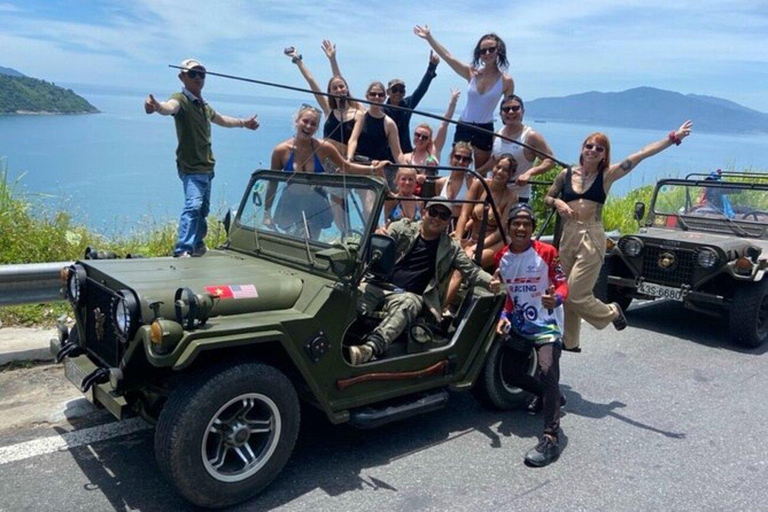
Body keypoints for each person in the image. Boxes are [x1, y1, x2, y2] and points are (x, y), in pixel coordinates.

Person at [544, 120, 694, 351]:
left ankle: (611, 311)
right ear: (582, 148)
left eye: (599, 148)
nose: (593, 150)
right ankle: (570, 340)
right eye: (589, 146)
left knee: (575, 294)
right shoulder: (565, 175)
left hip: (590, 235)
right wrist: (558, 203)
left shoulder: (607, 175)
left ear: (604, 155)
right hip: (568, 235)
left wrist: (673, 137)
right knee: (565, 290)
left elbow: (641, 154)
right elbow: (547, 198)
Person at [349, 198, 499, 365]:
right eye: (433, 212)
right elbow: (378, 244)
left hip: (409, 295)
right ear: (424, 212)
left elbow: (472, 272)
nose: (436, 218)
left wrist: (493, 281)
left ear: (448, 221)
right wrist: (378, 236)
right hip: (378, 285)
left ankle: (370, 349)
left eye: (443, 216)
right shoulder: (403, 228)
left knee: (409, 303)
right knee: (352, 296)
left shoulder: (450, 247)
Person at [144, 58, 260, 258]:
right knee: (194, 206)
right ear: (182, 77)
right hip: (191, 167)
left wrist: (243, 123)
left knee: (203, 210)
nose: (198, 77)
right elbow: (168, 107)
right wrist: (156, 107)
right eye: (192, 74)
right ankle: (183, 249)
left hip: (207, 167)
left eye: (201, 74)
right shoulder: (180, 100)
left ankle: (197, 244)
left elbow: (222, 119)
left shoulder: (204, 106)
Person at [494, 203, 569, 467]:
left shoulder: (547, 252)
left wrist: (556, 299)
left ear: (533, 229)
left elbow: (561, 284)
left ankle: (551, 437)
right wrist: (504, 317)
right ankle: (553, 397)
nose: (521, 227)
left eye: (526, 223)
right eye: (516, 223)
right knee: (512, 374)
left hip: (547, 325)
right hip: (520, 325)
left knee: (547, 371)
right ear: (509, 227)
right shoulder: (502, 257)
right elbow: (511, 295)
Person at [267, 104, 388, 237]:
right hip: (291, 202)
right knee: (289, 242)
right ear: (297, 121)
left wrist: (372, 169)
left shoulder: (324, 148)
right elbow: (272, 182)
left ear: (317, 128)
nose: (308, 126)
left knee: (311, 243)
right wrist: (266, 212)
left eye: (313, 124)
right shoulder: (281, 151)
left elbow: (347, 167)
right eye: (305, 121)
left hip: (315, 202)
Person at [413, 26, 514, 170]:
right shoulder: (471, 73)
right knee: (457, 169)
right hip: (464, 126)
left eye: (491, 49)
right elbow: (449, 57)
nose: (487, 53)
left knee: (480, 174)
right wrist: (429, 37)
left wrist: (506, 136)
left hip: (484, 129)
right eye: (483, 50)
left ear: (499, 50)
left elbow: (509, 112)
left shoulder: (506, 81)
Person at [284, 41, 364, 152]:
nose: (339, 90)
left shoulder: (357, 111)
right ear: (330, 92)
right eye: (334, 88)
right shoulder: (329, 109)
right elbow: (312, 82)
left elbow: (338, 79)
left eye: (342, 87)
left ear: (347, 89)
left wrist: (332, 59)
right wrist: (298, 60)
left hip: (347, 160)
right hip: (326, 158)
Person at [478, 95, 555, 203]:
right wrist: (477, 172)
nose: (510, 112)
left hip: (518, 195)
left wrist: (529, 173)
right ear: (501, 114)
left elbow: (550, 160)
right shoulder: (497, 135)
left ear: (522, 111)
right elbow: (495, 160)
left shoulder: (530, 136)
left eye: (515, 108)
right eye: (506, 109)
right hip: (494, 192)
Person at [347, 82, 405, 188]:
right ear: (367, 96)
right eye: (373, 94)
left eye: (380, 95)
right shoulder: (360, 118)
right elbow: (352, 140)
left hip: (378, 167)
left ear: (384, 97)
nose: (376, 97)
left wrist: (406, 169)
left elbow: (397, 153)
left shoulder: (389, 123)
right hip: (360, 164)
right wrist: (348, 159)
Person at [383, 51, 440, 154]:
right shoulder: (381, 110)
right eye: (395, 90)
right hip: (386, 152)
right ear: (388, 92)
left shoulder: (407, 104)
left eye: (401, 90)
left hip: (405, 152)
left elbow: (421, 90)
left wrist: (431, 67)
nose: (398, 93)